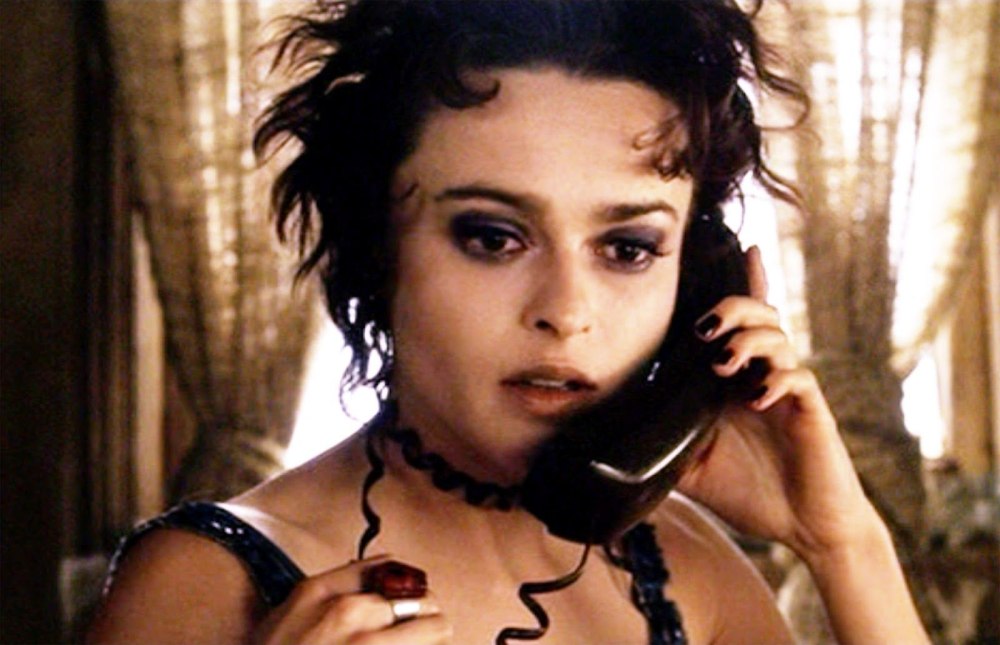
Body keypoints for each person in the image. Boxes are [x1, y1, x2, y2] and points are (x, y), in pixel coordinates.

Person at [88, 1, 930, 643]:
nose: (565, 312)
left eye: (628, 248)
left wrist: (843, 543)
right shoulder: (202, 583)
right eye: (493, 237)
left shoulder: (684, 569)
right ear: (379, 245)